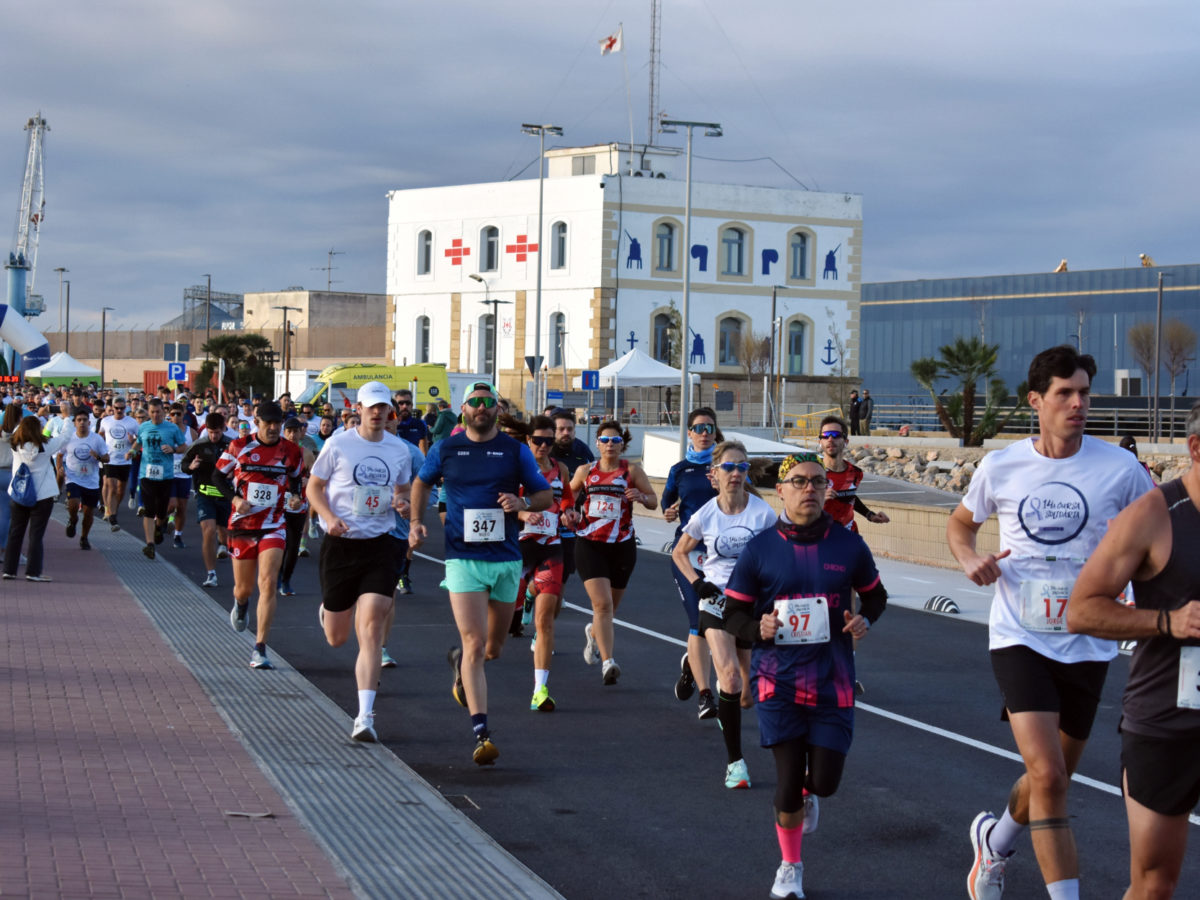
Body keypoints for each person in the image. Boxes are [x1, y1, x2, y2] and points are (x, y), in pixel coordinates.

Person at [947, 345, 1154, 900]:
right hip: (1019, 634)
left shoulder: (1121, 468)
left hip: (1089, 640)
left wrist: (1141, 598)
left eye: (1084, 392)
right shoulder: (1001, 465)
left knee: (1052, 776)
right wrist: (970, 559)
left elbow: (1156, 538)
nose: (1078, 403)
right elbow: (960, 526)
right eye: (1065, 393)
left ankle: (995, 841)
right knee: (1051, 778)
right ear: (1036, 400)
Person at [723, 452, 887, 900]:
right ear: (781, 490)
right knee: (787, 780)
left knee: (825, 783)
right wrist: (756, 628)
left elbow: (876, 596)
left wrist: (865, 619)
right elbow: (733, 613)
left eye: (817, 481)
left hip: (833, 680)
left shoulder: (848, 546)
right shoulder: (760, 549)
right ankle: (790, 866)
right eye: (799, 481)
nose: (810, 488)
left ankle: (810, 792)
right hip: (777, 680)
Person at [1066, 401, 1200, 900]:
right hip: (1168, 724)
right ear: (1196, 448)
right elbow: (1082, 611)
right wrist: (1167, 621)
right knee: (1154, 885)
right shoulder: (1153, 515)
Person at [408, 381, 552, 765]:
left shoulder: (515, 450)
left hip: (505, 559)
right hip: (462, 559)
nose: (482, 407)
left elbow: (545, 495)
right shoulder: (446, 448)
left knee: (493, 649)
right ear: (464, 409)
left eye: (488, 401)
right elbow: (421, 483)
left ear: (497, 409)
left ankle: (460, 667)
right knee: (473, 643)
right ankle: (481, 733)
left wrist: (522, 501)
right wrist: (416, 523)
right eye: (475, 402)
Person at [307, 382, 412, 742]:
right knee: (337, 638)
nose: (378, 413)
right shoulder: (338, 444)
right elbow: (314, 487)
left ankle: (364, 716)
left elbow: (402, 490)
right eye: (372, 407)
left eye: (384, 408)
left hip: (381, 545)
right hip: (341, 544)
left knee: (371, 627)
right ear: (359, 409)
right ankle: (328, 610)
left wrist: (402, 503)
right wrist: (328, 517)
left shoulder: (398, 449)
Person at [672, 440, 777, 789]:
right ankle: (736, 764)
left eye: (742, 467)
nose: (735, 473)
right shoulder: (706, 514)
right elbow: (679, 552)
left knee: (745, 697)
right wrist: (697, 582)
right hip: (716, 601)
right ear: (714, 474)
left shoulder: (763, 514)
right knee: (730, 679)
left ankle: (715, 672)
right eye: (729, 467)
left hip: (750, 603)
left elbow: (781, 553)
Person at [214, 400, 304, 670]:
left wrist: (295, 496)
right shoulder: (238, 447)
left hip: (273, 525)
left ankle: (260, 647)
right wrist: (234, 499)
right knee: (244, 589)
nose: (274, 428)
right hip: (242, 525)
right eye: (269, 423)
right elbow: (217, 477)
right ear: (257, 423)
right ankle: (241, 604)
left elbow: (296, 478)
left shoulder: (291, 451)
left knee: (268, 582)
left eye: (278, 423)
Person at [566, 420, 658, 686]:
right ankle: (608, 662)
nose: (610, 445)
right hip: (589, 544)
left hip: (622, 546)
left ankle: (594, 633)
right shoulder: (586, 471)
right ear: (597, 443)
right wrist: (568, 512)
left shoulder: (632, 471)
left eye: (615, 440)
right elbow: (567, 496)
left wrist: (641, 497)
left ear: (622, 445)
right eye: (605, 440)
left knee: (609, 609)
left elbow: (654, 501)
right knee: (603, 605)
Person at [819, 413, 889, 696]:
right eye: (826, 436)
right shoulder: (812, 473)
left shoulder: (854, 473)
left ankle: (847, 671)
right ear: (820, 442)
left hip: (848, 544)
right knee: (820, 607)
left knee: (848, 607)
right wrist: (819, 498)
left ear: (845, 441)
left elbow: (851, 497)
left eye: (836, 435)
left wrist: (870, 515)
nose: (831, 440)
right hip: (819, 544)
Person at [663, 407, 722, 717]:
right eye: (699, 428)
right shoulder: (680, 469)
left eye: (709, 427)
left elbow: (745, 497)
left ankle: (691, 663)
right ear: (689, 433)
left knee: (722, 621)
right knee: (699, 620)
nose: (704, 433)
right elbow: (666, 502)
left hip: (721, 556)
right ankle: (705, 696)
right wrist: (669, 511)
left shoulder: (726, 466)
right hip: (687, 553)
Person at [513, 415, 574, 711]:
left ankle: (540, 689)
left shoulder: (560, 469)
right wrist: (523, 514)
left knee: (545, 619)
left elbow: (567, 499)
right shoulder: (516, 468)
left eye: (549, 441)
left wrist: (569, 512)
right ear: (528, 440)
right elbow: (501, 503)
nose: (544, 445)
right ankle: (466, 664)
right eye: (538, 440)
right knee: (495, 632)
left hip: (551, 547)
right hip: (517, 547)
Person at [4, 415, 72, 581]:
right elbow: (65, 436)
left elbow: (14, 429)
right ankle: (33, 572)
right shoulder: (46, 446)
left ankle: (9, 571)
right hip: (43, 495)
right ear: (38, 430)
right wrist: (66, 417)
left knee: (15, 533)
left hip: (19, 494)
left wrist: (24, 420)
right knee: (36, 535)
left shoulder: (14, 444)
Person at [181, 412, 232, 588]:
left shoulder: (232, 445)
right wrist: (191, 467)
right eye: (210, 432)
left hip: (225, 495)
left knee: (223, 531)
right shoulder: (199, 445)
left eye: (217, 432)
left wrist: (234, 473)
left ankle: (223, 544)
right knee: (208, 530)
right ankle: (211, 573)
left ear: (223, 429)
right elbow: (184, 464)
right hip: (205, 494)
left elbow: (243, 466)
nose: (214, 436)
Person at [132, 398, 186, 561]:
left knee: (162, 511)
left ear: (163, 412)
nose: (155, 415)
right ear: (148, 412)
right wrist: (132, 452)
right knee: (149, 509)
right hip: (146, 474)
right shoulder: (144, 427)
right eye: (152, 412)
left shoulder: (172, 428)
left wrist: (173, 449)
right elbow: (138, 443)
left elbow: (184, 446)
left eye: (158, 412)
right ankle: (149, 544)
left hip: (165, 475)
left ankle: (159, 526)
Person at [550, 407, 594, 595]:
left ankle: (556, 598)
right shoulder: (543, 451)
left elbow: (592, 482)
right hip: (542, 520)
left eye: (570, 429)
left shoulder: (583, 451)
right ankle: (531, 595)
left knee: (563, 572)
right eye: (561, 429)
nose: (566, 433)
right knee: (540, 573)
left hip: (570, 520)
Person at [61, 408, 109, 550]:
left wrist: (98, 457)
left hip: (91, 481)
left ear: (89, 422)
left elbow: (107, 458)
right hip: (73, 477)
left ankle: (84, 537)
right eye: (79, 420)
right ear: (74, 423)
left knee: (88, 513)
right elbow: (59, 454)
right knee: (73, 504)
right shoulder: (69, 438)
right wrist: (59, 468)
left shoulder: (96, 439)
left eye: (84, 420)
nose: (82, 422)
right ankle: (73, 519)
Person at [278, 417, 316, 596]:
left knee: (293, 545)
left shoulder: (306, 453)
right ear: (284, 432)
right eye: (289, 431)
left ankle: (286, 579)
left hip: (298, 504)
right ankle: (277, 575)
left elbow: (316, 477)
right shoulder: (278, 451)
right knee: (281, 543)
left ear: (302, 433)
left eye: (296, 431)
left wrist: (308, 480)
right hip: (279, 502)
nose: (292, 435)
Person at [99, 396, 136, 532]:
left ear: (125, 408)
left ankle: (113, 509)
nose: (119, 410)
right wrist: (100, 451)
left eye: (122, 408)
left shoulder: (132, 422)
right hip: (110, 459)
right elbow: (100, 435)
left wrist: (133, 442)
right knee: (112, 488)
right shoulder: (105, 421)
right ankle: (112, 515)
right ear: (112, 408)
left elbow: (139, 441)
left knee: (120, 490)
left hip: (125, 460)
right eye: (117, 408)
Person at [167, 403, 196, 549]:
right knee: (172, 504)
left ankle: (178, 536)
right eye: (173, 414)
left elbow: (197, 451)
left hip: (184, 474)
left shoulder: (192, 433)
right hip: (168, 473)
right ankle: (161, 519)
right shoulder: (165, 431)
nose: (176, 417)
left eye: (179, 413)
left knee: (182, 507)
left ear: (184, 414)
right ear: (169, 415)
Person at [394, 389, 429, 453]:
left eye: (408, 403)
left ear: (412, 405)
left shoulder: (420, 424)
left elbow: (423, 450)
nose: (405, 406)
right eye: (401, 403)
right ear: (395, 406)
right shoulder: (388, 424)